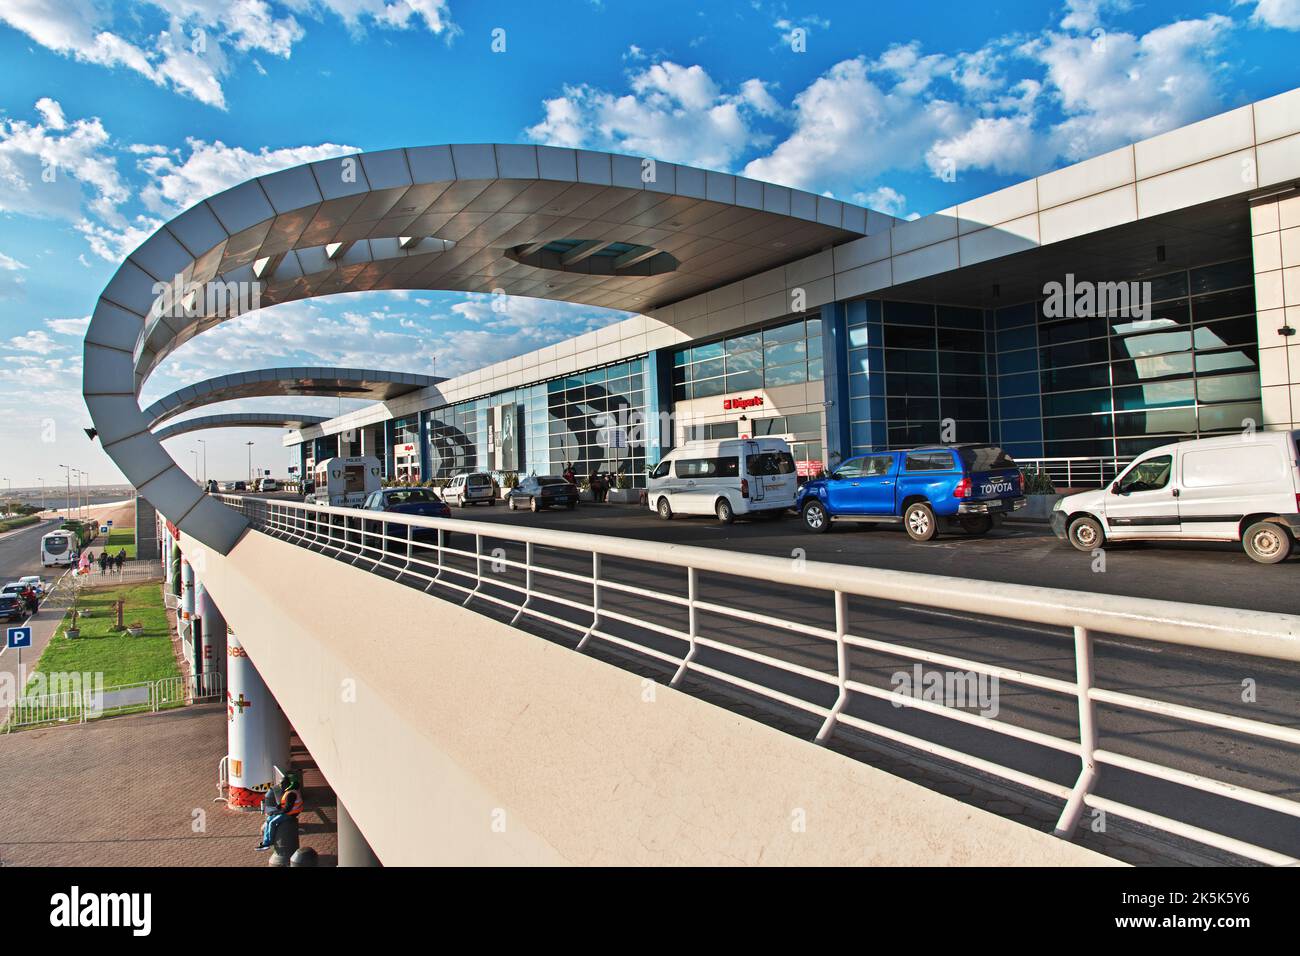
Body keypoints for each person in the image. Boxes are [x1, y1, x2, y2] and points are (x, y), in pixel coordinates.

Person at [255, 771, 304, 851]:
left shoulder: (291, 794)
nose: (281, 786)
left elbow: (287, 809)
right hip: (288, 812)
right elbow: (285, 805)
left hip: (291, 814)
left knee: (272, 822)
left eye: (282, 784)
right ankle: (265, 841)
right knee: (269, 820)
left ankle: (268, 843)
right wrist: (279, 807)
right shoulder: (289, 792)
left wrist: (275, 812)